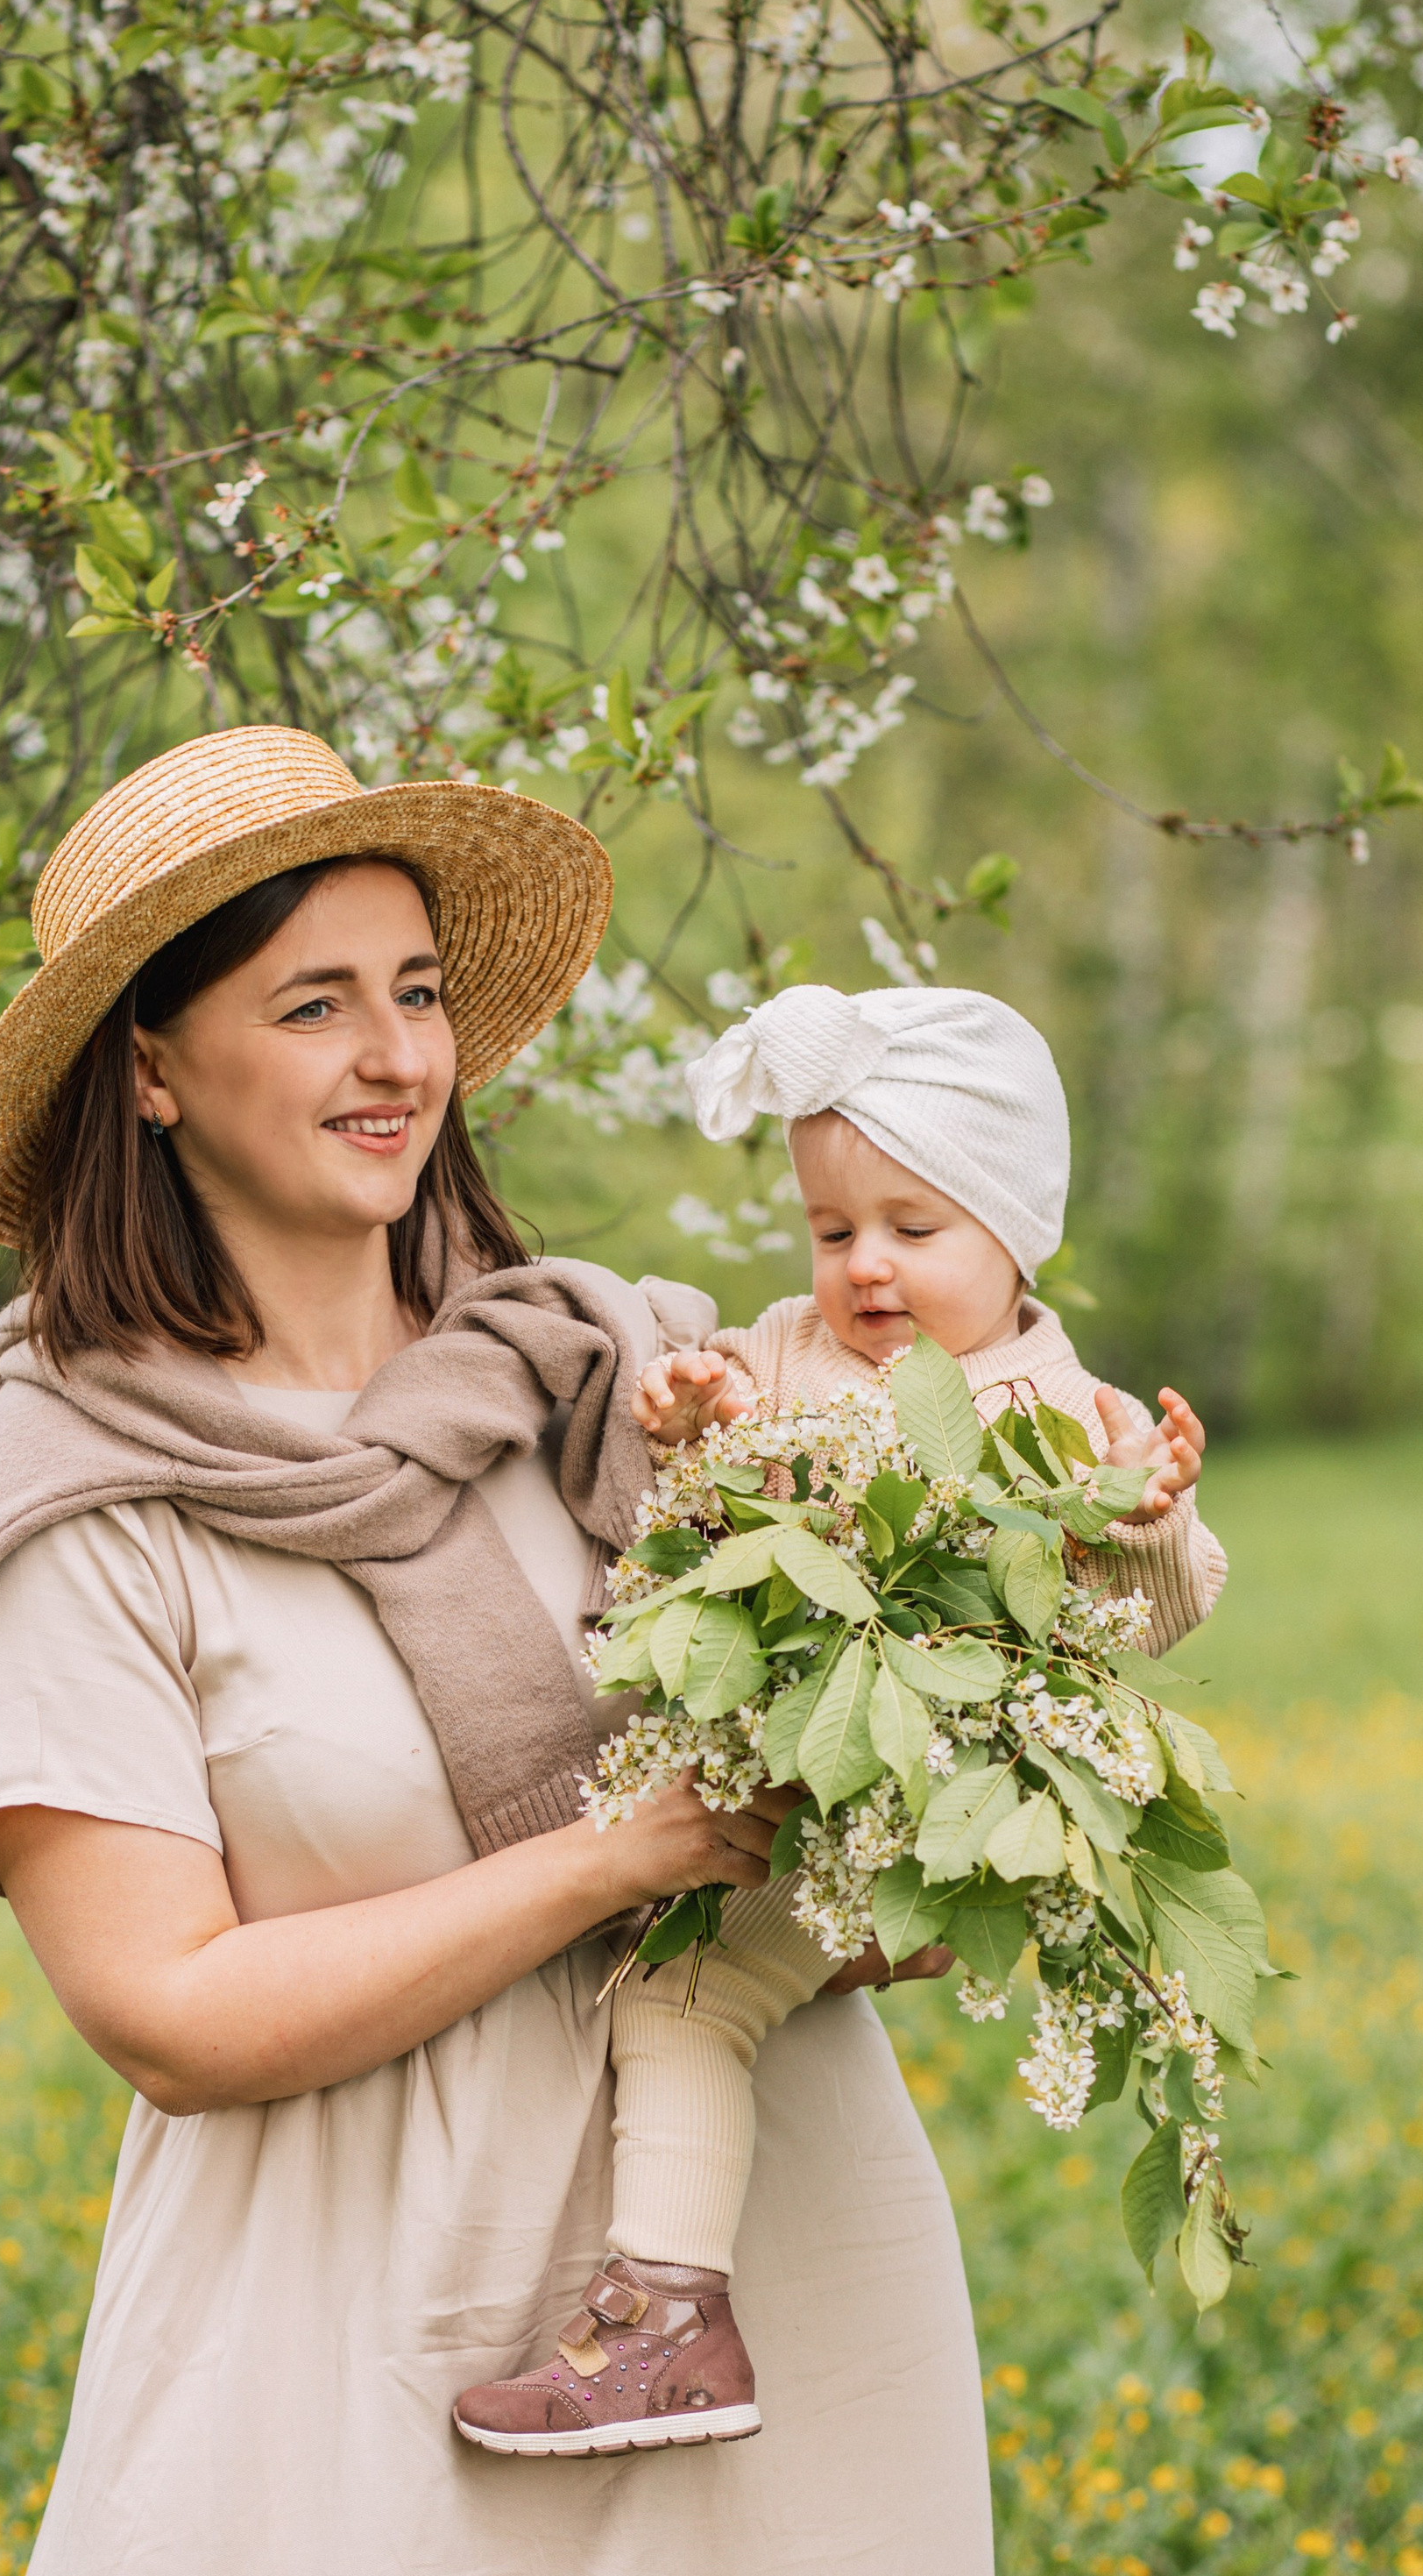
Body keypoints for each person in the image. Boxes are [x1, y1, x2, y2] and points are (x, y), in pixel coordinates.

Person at [0, 732, 997, 2576]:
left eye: (412, 991)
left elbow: (827, 1798)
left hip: (757, 2277)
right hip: (354, 2335)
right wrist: (609, 1857)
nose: (394, 1055)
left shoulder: (611, 1374)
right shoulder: (77, 1504)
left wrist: (950, 1798)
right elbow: (168, 2012)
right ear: (151, 1069)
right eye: (310, 1005)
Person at [450, 983, 1224, 2460]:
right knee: (671, 1974)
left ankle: (667, 2317)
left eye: (914, 1231)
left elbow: (1147, 1614)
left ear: (1015, 1234)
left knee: (687, 1993)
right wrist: (695, 1418)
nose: (864, 1268)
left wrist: (1139, 1514)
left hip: (905, 1792)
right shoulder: (794, 1349)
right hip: (805, 1761)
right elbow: (714, 1500)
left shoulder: (1055, 1408)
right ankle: (664, 2308)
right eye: (830, 1229)